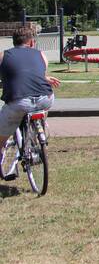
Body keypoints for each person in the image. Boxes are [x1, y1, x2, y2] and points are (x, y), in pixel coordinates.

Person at [0, 24, 59, 178]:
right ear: (32, 42)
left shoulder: (3, 56)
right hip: (45, 98)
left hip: (19, 102)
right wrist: (45, 78)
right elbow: (35, 73)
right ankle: (38, 131)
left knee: (1, 135)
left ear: (13, 42)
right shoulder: (41, 55)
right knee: (41, 107)